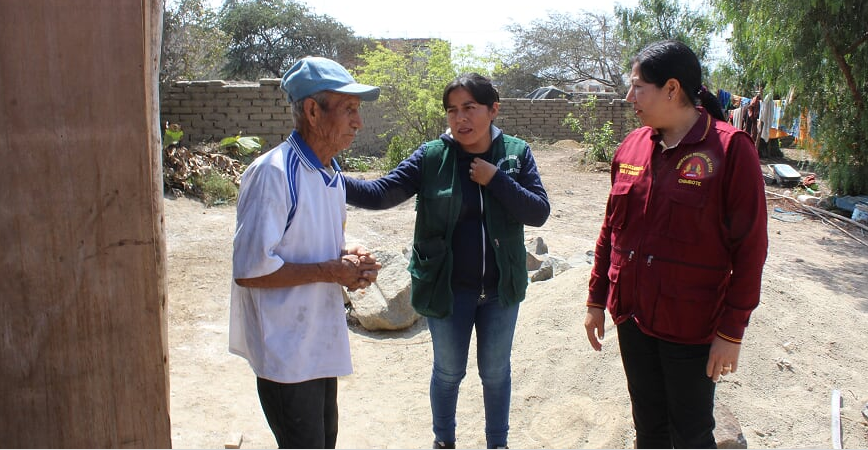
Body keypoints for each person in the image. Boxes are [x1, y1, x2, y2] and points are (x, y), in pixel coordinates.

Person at [344, 73, 550, 449]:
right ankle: (444, 442)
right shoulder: (433, 157)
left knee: (495, 373)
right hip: (449, 290)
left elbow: (538, 212)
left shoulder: (515, 155)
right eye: (452, 110)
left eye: (469, 108)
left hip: (501, 290)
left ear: (493, 110)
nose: (460, 119)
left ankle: (497, 444)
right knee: (448, 372)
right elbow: (381, 193)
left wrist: (496, 180)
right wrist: (331, 177)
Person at [583, 40, 768, 449]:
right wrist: (597, 299)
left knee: (691, 435)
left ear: (671, 89)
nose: (629, 97)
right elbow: (610, 231)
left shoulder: (730, 150)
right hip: (631, 316)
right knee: (648, 429)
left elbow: (750, 250)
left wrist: (731, 333)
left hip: (691, 325)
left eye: (637, 87)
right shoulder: (631, 146)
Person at [228, 56, 383, 449]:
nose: (358, 122)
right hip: (286, 352)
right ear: (313, 111)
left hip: (316, 343)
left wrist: (351, 256)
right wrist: (333, 271)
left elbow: (307, 238)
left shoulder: (329, 173)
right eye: (348, 109)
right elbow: (250, 270)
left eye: (357, 110)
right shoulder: (275, 174)